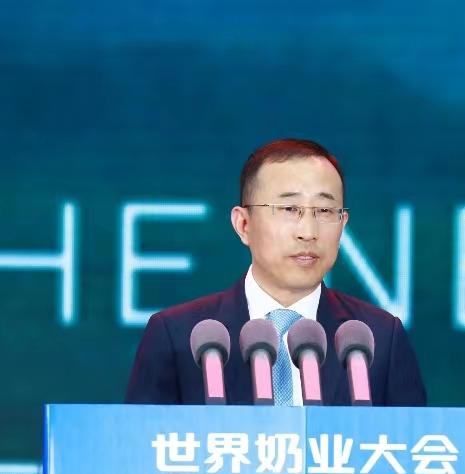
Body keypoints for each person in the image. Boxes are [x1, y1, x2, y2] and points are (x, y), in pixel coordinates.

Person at [124, 138, 427, 406]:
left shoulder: (379, 339)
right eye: (289, 209)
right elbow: (138, 447)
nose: (308, 231)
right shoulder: (178, 336)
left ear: (343, 223)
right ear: (243, 224)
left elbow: (412, 447)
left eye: (324, 211)